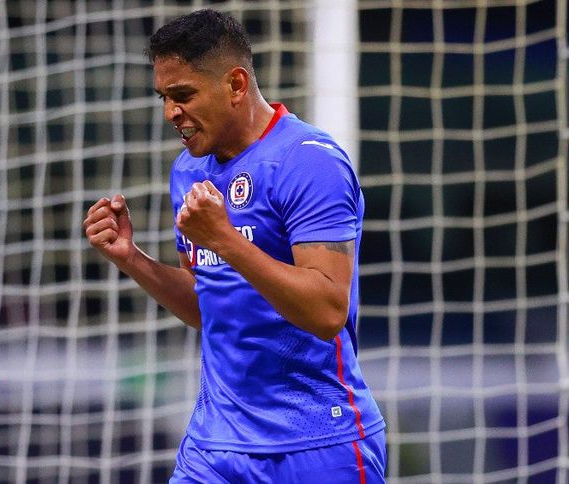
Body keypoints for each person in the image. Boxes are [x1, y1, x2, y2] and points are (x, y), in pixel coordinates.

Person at [83, 9, 386, 483]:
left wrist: (224, 239)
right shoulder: (189, 171)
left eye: (183, 95)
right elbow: (208, 304)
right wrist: (132, 258)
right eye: (164, 98)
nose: (170, 113)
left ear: (236, 84)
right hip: (214, 447)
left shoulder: (308, 162)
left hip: (315, 444)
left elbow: (328, 310)